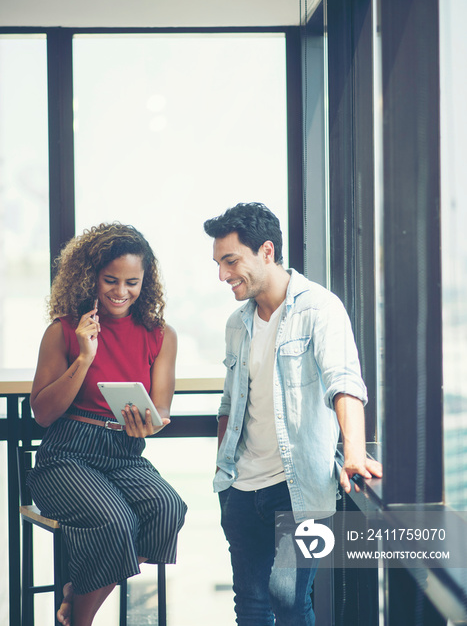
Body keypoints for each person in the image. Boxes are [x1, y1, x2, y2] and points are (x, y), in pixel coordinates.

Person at [204, 202, 382, 626]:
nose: (223, 275)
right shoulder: (236, 324)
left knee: (288, 601)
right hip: (241, 490)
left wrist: (353, 453)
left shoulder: (320, 308)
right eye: (219, 264)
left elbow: (345, 384)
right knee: (249, 605)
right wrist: (223, 474)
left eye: (231, 261)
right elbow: (229, 404)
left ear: (267, 251)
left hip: (299, 490)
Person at [28, 222, 187, 626]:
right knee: (116, 520)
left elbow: (161, 409)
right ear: (91, 278)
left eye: (132, 282)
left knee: (168, 508)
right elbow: (43, 414)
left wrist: (148, 426)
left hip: (125, 454)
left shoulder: (160, 335)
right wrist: (83, 357)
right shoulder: (63, 330)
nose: (120, 292)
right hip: (66, 455)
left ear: (145, 281)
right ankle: (81, 620)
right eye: (110, 280)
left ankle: (76, 594)